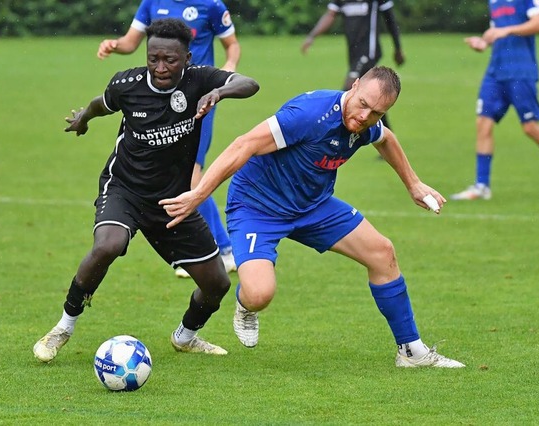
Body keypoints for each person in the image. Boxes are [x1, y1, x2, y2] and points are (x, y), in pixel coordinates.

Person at [160, 66, 465, 368]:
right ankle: (245, 306)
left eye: (376, 113)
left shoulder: (367, 123)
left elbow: (386, 140)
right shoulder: (308, 114)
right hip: (258, 207)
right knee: (259, 294)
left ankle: (411, 352)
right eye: (363, 105)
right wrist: (198, 194)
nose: (364, 117)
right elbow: (244, 144)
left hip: (313, 207)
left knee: (382, 253)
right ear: (355, 86)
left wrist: (413, 183)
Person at [33, 18, 259, 363]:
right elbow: (101, 103)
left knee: (217, 284)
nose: (160, 67)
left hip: (172, 201)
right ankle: (63, 328)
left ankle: (185, 337)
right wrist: (84, 118)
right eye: (153, 58)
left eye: (169, 59)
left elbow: (249, 83)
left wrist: (220, 91)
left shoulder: (201, 79)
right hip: (124, 188)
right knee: (109, 244)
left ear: (187, 56)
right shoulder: (129, 84)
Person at [97, 0, 242, 276]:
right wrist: (114, 45)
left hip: (197, 99)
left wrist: (228, 69)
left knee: (193, 177)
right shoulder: (152, 3)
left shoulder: (210, 5)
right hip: (160, 98)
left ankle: (222, 249)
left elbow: (232, 44)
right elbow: (131, 42)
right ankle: (202, 250)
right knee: (175, 176)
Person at [451, 0, 539, 201]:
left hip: (521, 71)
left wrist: (507, 30)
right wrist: (483, 43)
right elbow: (496, 31)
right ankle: (482, 186)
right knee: (483, 124)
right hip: (495, 72)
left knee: (530, 127)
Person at [301, 0, 405, 132]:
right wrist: (312, 36)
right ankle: (387, 140)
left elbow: (390, 19)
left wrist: (398, 48)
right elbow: (330, 15)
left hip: (368, 52)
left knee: (347, 94)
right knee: (373, 103)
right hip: (354, 54)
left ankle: (328, 136)